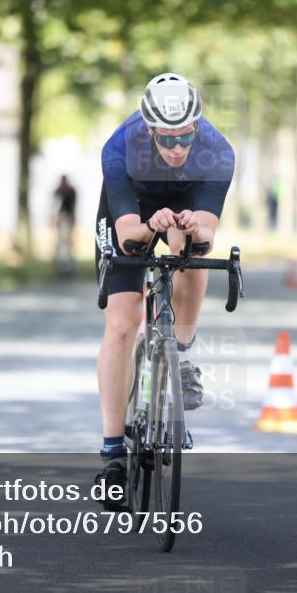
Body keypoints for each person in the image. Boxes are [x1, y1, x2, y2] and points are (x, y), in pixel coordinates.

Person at [93, 73, 234, 508]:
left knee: (189, 253)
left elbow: (207, 235)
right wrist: (149, 224)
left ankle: (182, 351)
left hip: (188, 201)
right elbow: (127, 236)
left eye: (185, 135)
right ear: (149, 129)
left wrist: (193, 230)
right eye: (167, 138)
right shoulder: (119, 148)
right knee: (121, 324)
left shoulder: (217, 151)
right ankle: (114, 450)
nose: (177, 147)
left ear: (197, 126)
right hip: (132, 210)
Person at [54, 174, 78, 275]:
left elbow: (73, 206)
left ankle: (68, 266)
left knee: (67, 243)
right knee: (62, 243)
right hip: (62, 218)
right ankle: (62, 266)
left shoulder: (69, 191)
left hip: (66, 218)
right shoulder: (60, 191)